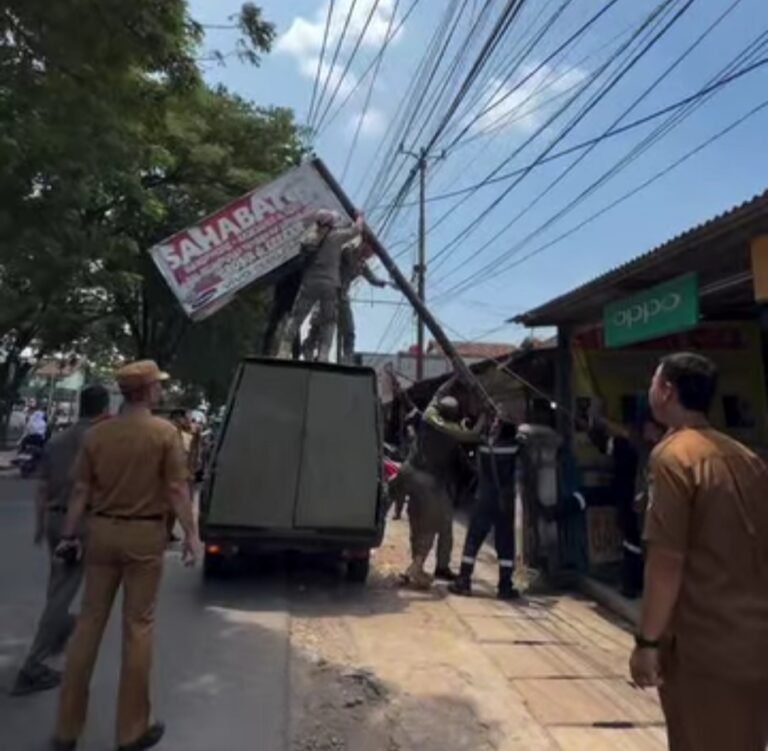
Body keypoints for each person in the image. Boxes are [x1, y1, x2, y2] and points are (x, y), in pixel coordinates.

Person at [52, 361, 200, 751]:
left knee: (88, 625)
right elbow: (176, 489)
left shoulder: (97, 435)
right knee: (138, 628)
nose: (161, 390)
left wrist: (69, 535)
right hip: (144, 536)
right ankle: (131, 731)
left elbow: (81, 491)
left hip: (101, 533)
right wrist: (191, 534)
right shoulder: (164, 433)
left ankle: (66, 729)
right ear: (148, 390)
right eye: (158, 386)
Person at [629, 352, 768, 751]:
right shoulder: (747, 458)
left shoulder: (672, 457)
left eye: (653, 382)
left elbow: (666, 562)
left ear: (666, 391)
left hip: (702, 646)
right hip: (755, 641)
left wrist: (647, 642)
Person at [11, 386, 111, 697]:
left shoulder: (57, 439)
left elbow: (42, 487)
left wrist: (40, 526)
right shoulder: (100, 440)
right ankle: (33, 665)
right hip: (79, 522)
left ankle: (59, 631)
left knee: (58, 586)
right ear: (104, 408)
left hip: (54, 518)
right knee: (62, 592)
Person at [395, 385, 487, 589]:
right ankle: (424, 566)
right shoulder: (452, 433)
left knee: (417, 524)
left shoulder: (428, 418)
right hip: (431, 483)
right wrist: (483, 415)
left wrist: (454, 379)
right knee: (439, 524)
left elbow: (437, 394)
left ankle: (418, 565)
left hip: (411, 475)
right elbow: (473, 436)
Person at [587, 406, 665, 598]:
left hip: (650, 504)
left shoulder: (658, 448)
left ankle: (639, 584)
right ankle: (634, 584)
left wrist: (602, 423)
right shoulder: (631, 445)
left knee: (645, 546)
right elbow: (605, 443)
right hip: (634, 503)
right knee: (634, 543)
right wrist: (595, 426)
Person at [277, 209, 365, 362]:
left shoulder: (308, 239)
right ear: (331, 223)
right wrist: (359, 216)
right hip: (330, 285)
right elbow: (357, 230)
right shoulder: (335, 237)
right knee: (329, 321)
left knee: (296, 317)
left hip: (309, 284)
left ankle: (284, 350)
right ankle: (324, 354)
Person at [449, 417, 520, 600]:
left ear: (500, 430)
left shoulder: (484, 446)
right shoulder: (516, 447)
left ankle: (464, 581)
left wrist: (471, 423)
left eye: (496, 424)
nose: (493, 425)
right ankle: (505, 586)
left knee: (473, 540)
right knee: (506, 543)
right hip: (505, 501)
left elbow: (467, 439)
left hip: (484, 499)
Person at [302, 239, 389, 364]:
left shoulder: (362, 265)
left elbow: (372, 279)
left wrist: (385, 283)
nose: (370, 255)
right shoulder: (347, 252)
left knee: (349, 328)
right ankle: (309, 346)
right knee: (321, 324)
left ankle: (348, 356)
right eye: (371, 250)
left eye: (373, 253)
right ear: (364, 244)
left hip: (342, 296)